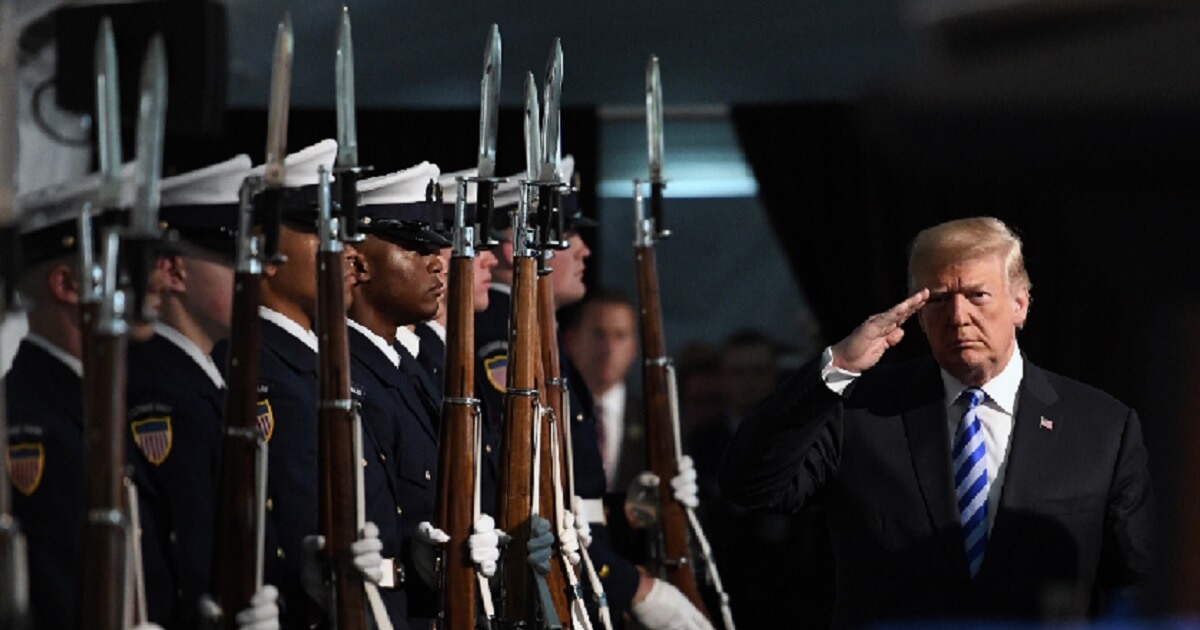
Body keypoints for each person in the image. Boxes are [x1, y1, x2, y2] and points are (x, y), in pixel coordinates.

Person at [719, 216, 1153, 626]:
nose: (959, 316)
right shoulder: (860, 412)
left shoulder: (1100, 426)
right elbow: (751, 484)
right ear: (919, 315)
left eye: (977, 295)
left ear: (1020, 304)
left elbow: (1139, 576)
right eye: (939, 300)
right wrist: (836, 368)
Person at [475, 159, 712, 629]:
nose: (583, 250)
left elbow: (574, 497)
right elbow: (527, 495)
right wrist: (631, 586)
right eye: (566, 236)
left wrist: (635, 507)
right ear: (511, 246)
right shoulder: (502, 345)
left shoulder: (536, 338)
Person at [124, 154, 279, 629]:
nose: (257, 275)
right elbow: (188, 559)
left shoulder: (205, 379)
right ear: (173, 273)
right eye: (234, 258)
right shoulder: (162, 393)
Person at [235, 139, 383, 628]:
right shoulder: (260, 371)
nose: (349, 254)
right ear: (271, 258)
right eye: (326, 236)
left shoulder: (318, 363)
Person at [348, 161, 500, 629]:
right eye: (415, 247)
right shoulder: (353, 375)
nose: (439, 260)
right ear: (359, 264)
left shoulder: (406, 367)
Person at [561, 288, 643, 493]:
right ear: (571, 341)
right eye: (599, 334)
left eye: (620, 336)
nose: (609, 348)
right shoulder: (551, 415)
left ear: (633, 348)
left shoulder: (654, 420)